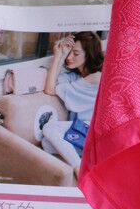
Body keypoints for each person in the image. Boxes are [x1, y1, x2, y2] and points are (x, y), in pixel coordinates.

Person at [41, 32, 103, 181]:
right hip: (81, 130)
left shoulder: (96, 77)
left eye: (75, 53)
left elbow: (49, 89)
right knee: (46, 143)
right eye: (69, 53)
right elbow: (53, 82)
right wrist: (60, 55)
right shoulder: (76, 77)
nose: (69, 57)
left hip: (94, 132)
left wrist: (59, 57)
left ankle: (79, 168)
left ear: (89, 54)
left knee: (49, 128)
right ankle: (86, 160)